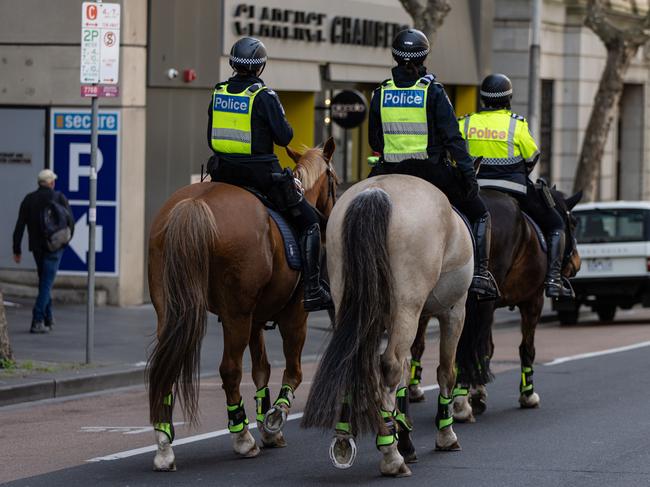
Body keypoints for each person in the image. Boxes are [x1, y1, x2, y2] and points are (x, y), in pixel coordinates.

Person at [368, 28, 499, 300]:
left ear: (395, 56)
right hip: (430, 173)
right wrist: (468, 178)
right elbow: (453, 139)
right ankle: (480, 275)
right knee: (480, 213)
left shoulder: (380, 92)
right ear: (423, 57)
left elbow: (374, 140)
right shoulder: (433, 91)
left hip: (388, 170)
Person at [206, 36, 332, 312]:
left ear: (233, 63)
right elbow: (285, 136)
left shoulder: (219, 92)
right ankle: (312, 288)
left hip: (222, 172)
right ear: (259, 67)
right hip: (260, 176)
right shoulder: (263, 96)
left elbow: (210, 137)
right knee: (310, 221)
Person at [458, 73, 572, 298]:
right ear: (508, 99)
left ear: (483, 99)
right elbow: (532, 157)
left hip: (472, 190)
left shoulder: (466, 122)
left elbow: (456, 155)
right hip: (514, 189)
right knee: (556, 223)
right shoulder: (516, 125)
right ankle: (553, 279)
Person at [12, 169, 74, 333]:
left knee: (45, 282)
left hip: (37, 249)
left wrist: (16, 249)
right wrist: (64, 241)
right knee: (46, 284)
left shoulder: (29, 199)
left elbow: (19, 226)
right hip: (54, 248)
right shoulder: (59, 197)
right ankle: (37, 319)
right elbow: (71, 222)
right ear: (51, 183)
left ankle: (48, 317)